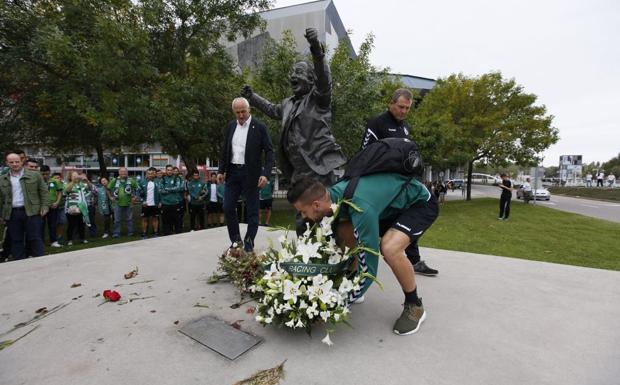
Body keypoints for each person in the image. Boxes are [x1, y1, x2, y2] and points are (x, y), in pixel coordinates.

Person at [287, 175, 438, 335]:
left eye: (303, 212)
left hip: (419, 204)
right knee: (345, 231)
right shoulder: (335, 198)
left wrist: (334, 305)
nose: (303, 217)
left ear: (316, 204)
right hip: (388, 208)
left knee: (389, 248)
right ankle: (351, 282)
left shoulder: (360, 207)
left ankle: (414, 305)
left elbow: (369, 270)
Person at [241, 28, 346, 234]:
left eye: (298, 73)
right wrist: (252, 97)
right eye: (292, 73)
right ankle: (304, 255)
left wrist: (316, 49)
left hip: (319, 168)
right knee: (302, 215)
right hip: (298, 171)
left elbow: (324, 77)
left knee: (325, 214)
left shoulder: (319, 99)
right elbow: (272, 110)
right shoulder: (288, 103)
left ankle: (332, 254)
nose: (293, 77)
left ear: (310, 79)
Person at [358, 88, 439, 277]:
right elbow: (364, 154)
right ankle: (361, 263)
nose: (403, 111)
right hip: (381, 184)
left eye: (407, 108)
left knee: (407, 219)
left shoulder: (406, 127)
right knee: (375, 221)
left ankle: (414, 261)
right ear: (391, 103)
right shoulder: (377, 123)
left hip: (402, 184)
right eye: (401, 107)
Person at [217, 97, 274, 252]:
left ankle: (249, 242)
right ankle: (236, 241)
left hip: (252, 174)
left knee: (252, 210)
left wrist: (266, 174)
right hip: (233, 172)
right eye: (237, 112)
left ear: (249, 110)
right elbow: (225, 151)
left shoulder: (260, 127)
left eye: (243, 111)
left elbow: (269, 152)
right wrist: (221, 170)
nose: (241, 115)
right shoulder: (230, 127)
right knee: (228, 206)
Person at [0, 153, 48, 260]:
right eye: (11, 162)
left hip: (32, 212)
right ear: (7, 163)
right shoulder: (2, 179)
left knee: (35, 238)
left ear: (22, 162)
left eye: (17, 161)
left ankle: (42, 263)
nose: (15, 164)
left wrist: (45, 206)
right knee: (16, 240)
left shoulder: (35, 175)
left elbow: (44, 192)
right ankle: (20, 265)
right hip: (12, 213)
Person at [108, 167, 139, 238]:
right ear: (119, 173)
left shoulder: (131, 180)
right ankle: (116, 233)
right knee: (117, 220)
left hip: (129, 203)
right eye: (122, 172)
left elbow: (137, 189)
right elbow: (108, 188)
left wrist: (135, 197)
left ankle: (130, 232)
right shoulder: (114, 180)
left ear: (127, 173)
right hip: (117, 203)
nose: (124, 173)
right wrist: (110, 197)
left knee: (129, 219)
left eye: (125, 172)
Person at [64, 171, 91, 245]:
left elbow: (90, 189)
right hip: (71, 208)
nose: (76, 177)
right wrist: (73, 181)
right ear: (70, 177)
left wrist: (87, 181)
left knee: (81, 224)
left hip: (82, 207)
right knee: (71, 225)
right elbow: (67, 191)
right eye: (74, 176)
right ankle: (69, 240)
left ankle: (82, 239)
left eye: (77, 175)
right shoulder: (67, 184)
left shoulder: (82, 184)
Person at [40, 165, 63, 248]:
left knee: (53, 224)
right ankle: (41, 242)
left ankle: (53, 241)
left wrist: (57, 202)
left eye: (46, 174)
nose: (45, 176)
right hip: (42, 207)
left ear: (49, 172)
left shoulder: (55, 181)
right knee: (41, 225)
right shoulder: (38, 181)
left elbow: (60, 192)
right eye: (43, 174)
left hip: (53, 206)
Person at [160, 164, 185, 235]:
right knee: (166, 221)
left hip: (175, 203)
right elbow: (160, 190)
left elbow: (177, 188)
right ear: (166, 170)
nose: (169, 171)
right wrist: (171, 190)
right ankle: (167, 234)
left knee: (177, 220)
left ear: (172, 171)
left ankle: (178, 234)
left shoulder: (176, 178)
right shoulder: (163, 179)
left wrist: (167, 189)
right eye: (168, 170)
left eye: (171, 170)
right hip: (165, 203)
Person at [138, 167, 161, 238]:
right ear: (146, 174)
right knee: (144, 219)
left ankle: (155, 233)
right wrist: (142, 201)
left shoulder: (158, 181)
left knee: (155, 219)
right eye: (149, 174)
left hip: (155, 204)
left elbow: (161, 193)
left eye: (152, 174)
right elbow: (138, 193)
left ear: (154, 174)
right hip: (146, 204)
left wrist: (160, 202)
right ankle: (144, 233)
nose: (150, 175)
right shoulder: (142, 182)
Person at [52, 173, 67, 244]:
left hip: (62, 207)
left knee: (62, 221)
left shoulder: (64, 185)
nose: (58, 179)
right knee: (54, 223)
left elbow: (66, 193)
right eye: (55, 178)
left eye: (58, 177)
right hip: (53, 207)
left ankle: (60, 236)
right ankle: (54, 238)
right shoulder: (51, 185)